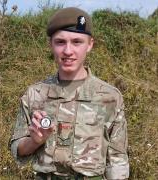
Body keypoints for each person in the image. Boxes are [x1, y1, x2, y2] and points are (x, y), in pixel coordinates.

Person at [10, 7, 129, 180]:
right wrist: (35, 141)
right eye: (60, 42)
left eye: (77, 42)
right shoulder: (35, 94)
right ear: (51, 44)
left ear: (90, 44)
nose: (68, 51)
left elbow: (117, 159)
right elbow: (17, 149)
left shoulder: (110, 97)